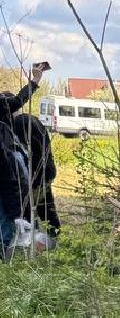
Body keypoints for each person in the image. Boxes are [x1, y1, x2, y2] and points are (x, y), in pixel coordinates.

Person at [0, 62, 47, 252]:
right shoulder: (7, 143)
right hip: (8, 168)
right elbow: (18, 100)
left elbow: (18, 100)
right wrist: (35, 79)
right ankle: (6, 247)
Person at [13, 113, 59, 248]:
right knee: (47, 209)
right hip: (45, 174)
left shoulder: (19, 125)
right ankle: (53, 238)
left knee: (29, 212)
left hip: (34, 179)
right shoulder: (31, 120)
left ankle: (35, 244)